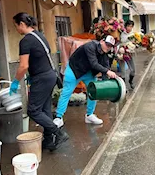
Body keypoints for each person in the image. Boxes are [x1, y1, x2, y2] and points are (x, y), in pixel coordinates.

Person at [9, 12, 68, 151]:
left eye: (16, 25)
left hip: (41, 78)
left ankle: (58, 132)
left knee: (33, 110)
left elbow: (23, 66)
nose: (16, 29)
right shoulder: (40, 35)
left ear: (22, 24)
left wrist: (15, 82)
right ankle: (48, 141)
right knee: (45, 109)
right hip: (50, 76)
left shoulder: (26, 40)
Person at [53, 35, 118, 128]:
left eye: (110, 46)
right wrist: (107, 71)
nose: (108, 47)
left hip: (88, 73)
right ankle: (58, 117)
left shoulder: (104, 54)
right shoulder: (90, 46)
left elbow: (106, 67)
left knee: (94, 91)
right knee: (66, 93)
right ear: (102, 41)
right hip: (74, 70)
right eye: (107, 44)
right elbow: (94, 63)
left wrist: (105, 83)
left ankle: (89, 115)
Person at [119, 20, 136, 89]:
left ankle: (130, 81)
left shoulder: (134, 35)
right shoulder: (121, 34)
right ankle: (124, 87)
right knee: (123, 71)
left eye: (131, 26)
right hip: (121, 54)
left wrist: (135, 45)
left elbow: (136, 44)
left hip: (130, 54)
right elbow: (118, 42)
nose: (129, 28)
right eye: (128, 26)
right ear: (125, 26)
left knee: (133, 70)